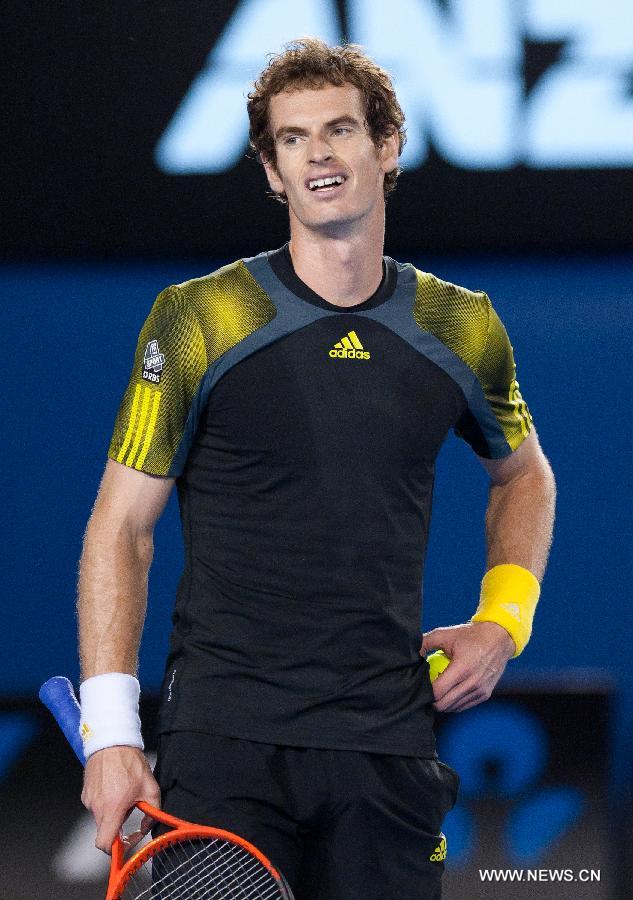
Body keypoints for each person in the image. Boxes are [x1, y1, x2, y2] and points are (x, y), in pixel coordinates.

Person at [77, 38, 556, 899]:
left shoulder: (460, 324)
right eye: (292, 140)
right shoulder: (199, 317)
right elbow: (122, 526)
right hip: (225, 744)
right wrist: (109, 733)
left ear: (387, 146)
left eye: (339, 130)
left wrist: (503, 621)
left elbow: (524, 475)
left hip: (387, 742)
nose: (318, 155)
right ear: (270, 170)